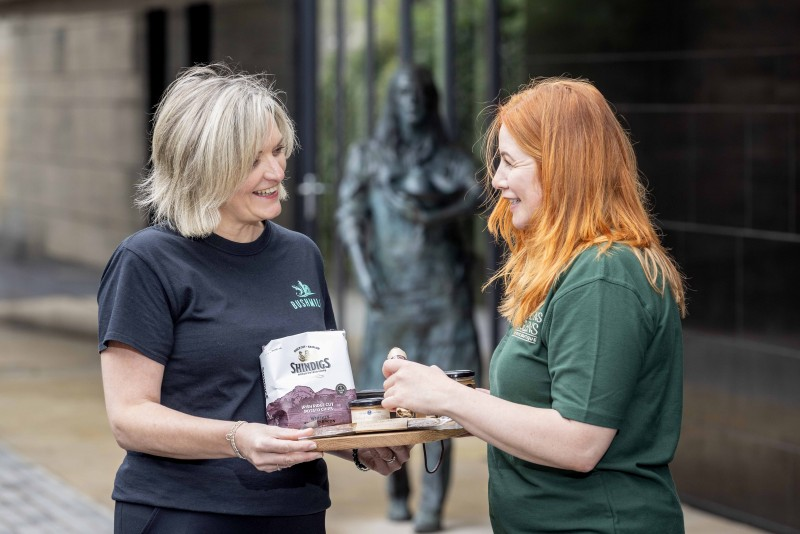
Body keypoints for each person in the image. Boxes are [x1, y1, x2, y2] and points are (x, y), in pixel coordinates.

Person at [97, 63, 410, 534]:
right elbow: (130, 418)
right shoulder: (147, 261)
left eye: (279, 150)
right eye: (253, 159)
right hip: (185, 514)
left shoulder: (300, 255)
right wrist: (237, 439)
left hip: (296, 511)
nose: (277, 170)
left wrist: (360, 444)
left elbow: (307, 403)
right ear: (204, 164)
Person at [382, 77, 687, 534]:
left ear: (561, 166)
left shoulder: (604, 275)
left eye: (508, 162)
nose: (496, 180)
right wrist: (449, 402)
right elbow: (542, 407)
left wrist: (449, 396)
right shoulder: (572, 266)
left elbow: (579, 442)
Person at [337, 64, 482, 532]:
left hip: (442, 295)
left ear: (431, 100)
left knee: (446, 403)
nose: (412, 101)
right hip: (392, 293)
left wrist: (438, 216)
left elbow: (483, 195)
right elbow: (349, 215)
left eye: (420, 93)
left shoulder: (448, 157)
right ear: (391, 101)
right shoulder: (371, 156)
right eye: (403, 93)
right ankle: (396, 489)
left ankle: (432, 506)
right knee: (386, 400)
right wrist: (364, 275)